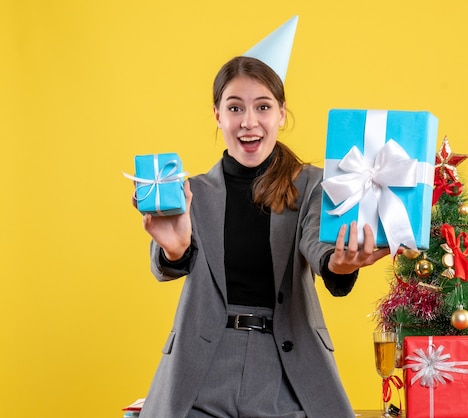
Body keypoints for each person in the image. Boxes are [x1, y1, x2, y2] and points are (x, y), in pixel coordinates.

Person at [134, 55, 389, 418]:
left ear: (281, 114)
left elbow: (318, 244)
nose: (248, 122)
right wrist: (175, 252)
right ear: (217, 115)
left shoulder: (312, 184)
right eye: (235, 107)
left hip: (287, 369)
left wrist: (339, 264)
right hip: (201, 371)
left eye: (263, 107)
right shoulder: (191, 191)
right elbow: (165, 261)